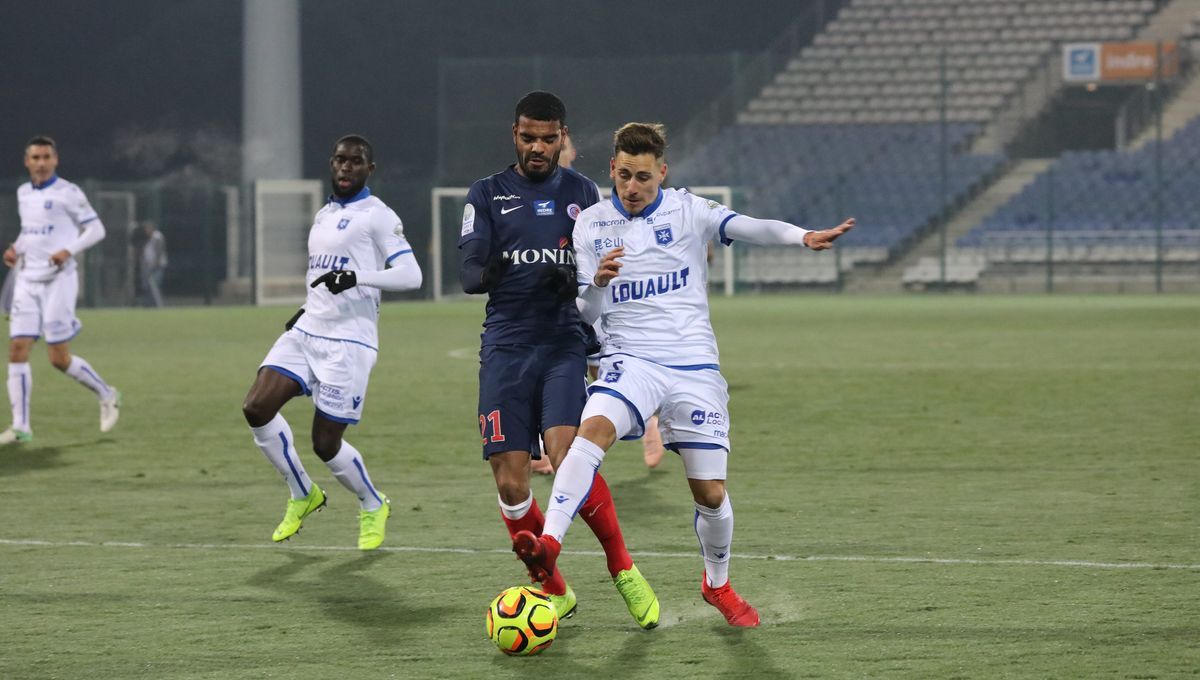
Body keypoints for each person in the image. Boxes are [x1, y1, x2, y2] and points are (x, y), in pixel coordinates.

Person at [513, 122, 854, 627]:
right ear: (611, 169)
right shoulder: (590, 224)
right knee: (591, 435)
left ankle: (717, 585)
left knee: (711, 495)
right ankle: (549, 545)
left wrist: (801, 236)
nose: (632, 187)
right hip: (630, 360)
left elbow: (750, 225)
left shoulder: (688, 210)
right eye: (624, 175)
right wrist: (599, 286)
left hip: (694, 366)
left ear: (662, 174)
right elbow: (583, 316)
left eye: (643, 178)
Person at [459, 91, 659, 628]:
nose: (539, 147)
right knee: (510, 482)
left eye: (549, 138)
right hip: (505, 345)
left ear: (562, 137)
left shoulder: (582, 193)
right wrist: (505, 268)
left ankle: (623, 569)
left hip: (562, 342)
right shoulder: (486, 194)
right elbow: (468, 276)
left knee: (566, 451)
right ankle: (555, 589)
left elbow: (596, 265)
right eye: (529, 138)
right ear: (515, 136)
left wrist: (573, 278)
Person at [241, 134, 422, 550]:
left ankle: (373, 502)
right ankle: (303, 493)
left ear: (368, 170)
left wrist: (359, 277)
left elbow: (412, 276)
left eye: (355, 161)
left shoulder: (378, 216)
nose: (345, 167)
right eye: (340, 160)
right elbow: (322, 275)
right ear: (331, 163)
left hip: (349, 342)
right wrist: (305, 311)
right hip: (307, 331)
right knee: (256, 406)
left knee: (325, 443)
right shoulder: (323, 214)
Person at [1, 136, 121, 444]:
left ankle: (107, 394)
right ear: (27, 162)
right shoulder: (24, 193)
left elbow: (97, 229)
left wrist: (68, 250)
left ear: (55, 160)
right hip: (28, 279)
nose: (41, 163)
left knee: (58, 358)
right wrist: (16, 248)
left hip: (59, 280)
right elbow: (31, 231)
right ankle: (20, 427)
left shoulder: (69, 192)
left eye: (46, 157)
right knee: (17, 350)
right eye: (35, 158)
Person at [136, 221, 167, 307]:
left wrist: (155, 264)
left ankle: (158, 304)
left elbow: (159, 251)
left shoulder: (157, 236)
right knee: (146, 286)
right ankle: (148, 305)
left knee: (156, 285)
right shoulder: (144, 238)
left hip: (157, 266)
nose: (146, 231)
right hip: (147, 266)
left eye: (148, 229)